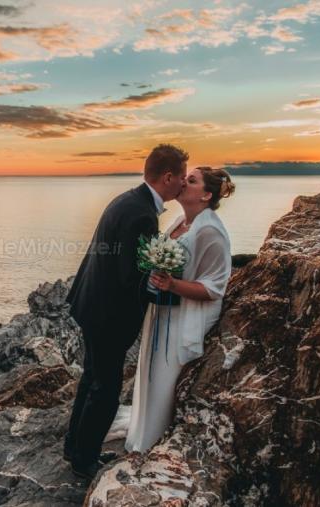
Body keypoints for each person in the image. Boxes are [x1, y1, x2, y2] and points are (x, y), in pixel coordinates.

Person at [63, 144, 188, 479]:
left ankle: (74, 447)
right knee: (106, 389)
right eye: (183, 178)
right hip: (108, 316)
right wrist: (165, 291)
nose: (184, 184)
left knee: (91, 379)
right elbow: (130, 277)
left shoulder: (128, 200)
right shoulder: (142, 214)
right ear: (167, 177)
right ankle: (84, 459)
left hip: (90, 303)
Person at [122, 166, 235, 453]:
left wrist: (172, 285)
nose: (184, 181)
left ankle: (154, 440)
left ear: (206, 195)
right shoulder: (179, 221)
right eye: (185, 177)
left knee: (164, 375)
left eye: (192, 180)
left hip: (184, 313)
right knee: (151, 368)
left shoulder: (210, 230)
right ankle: (143, 427)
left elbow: (214, 288)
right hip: (163, 308)